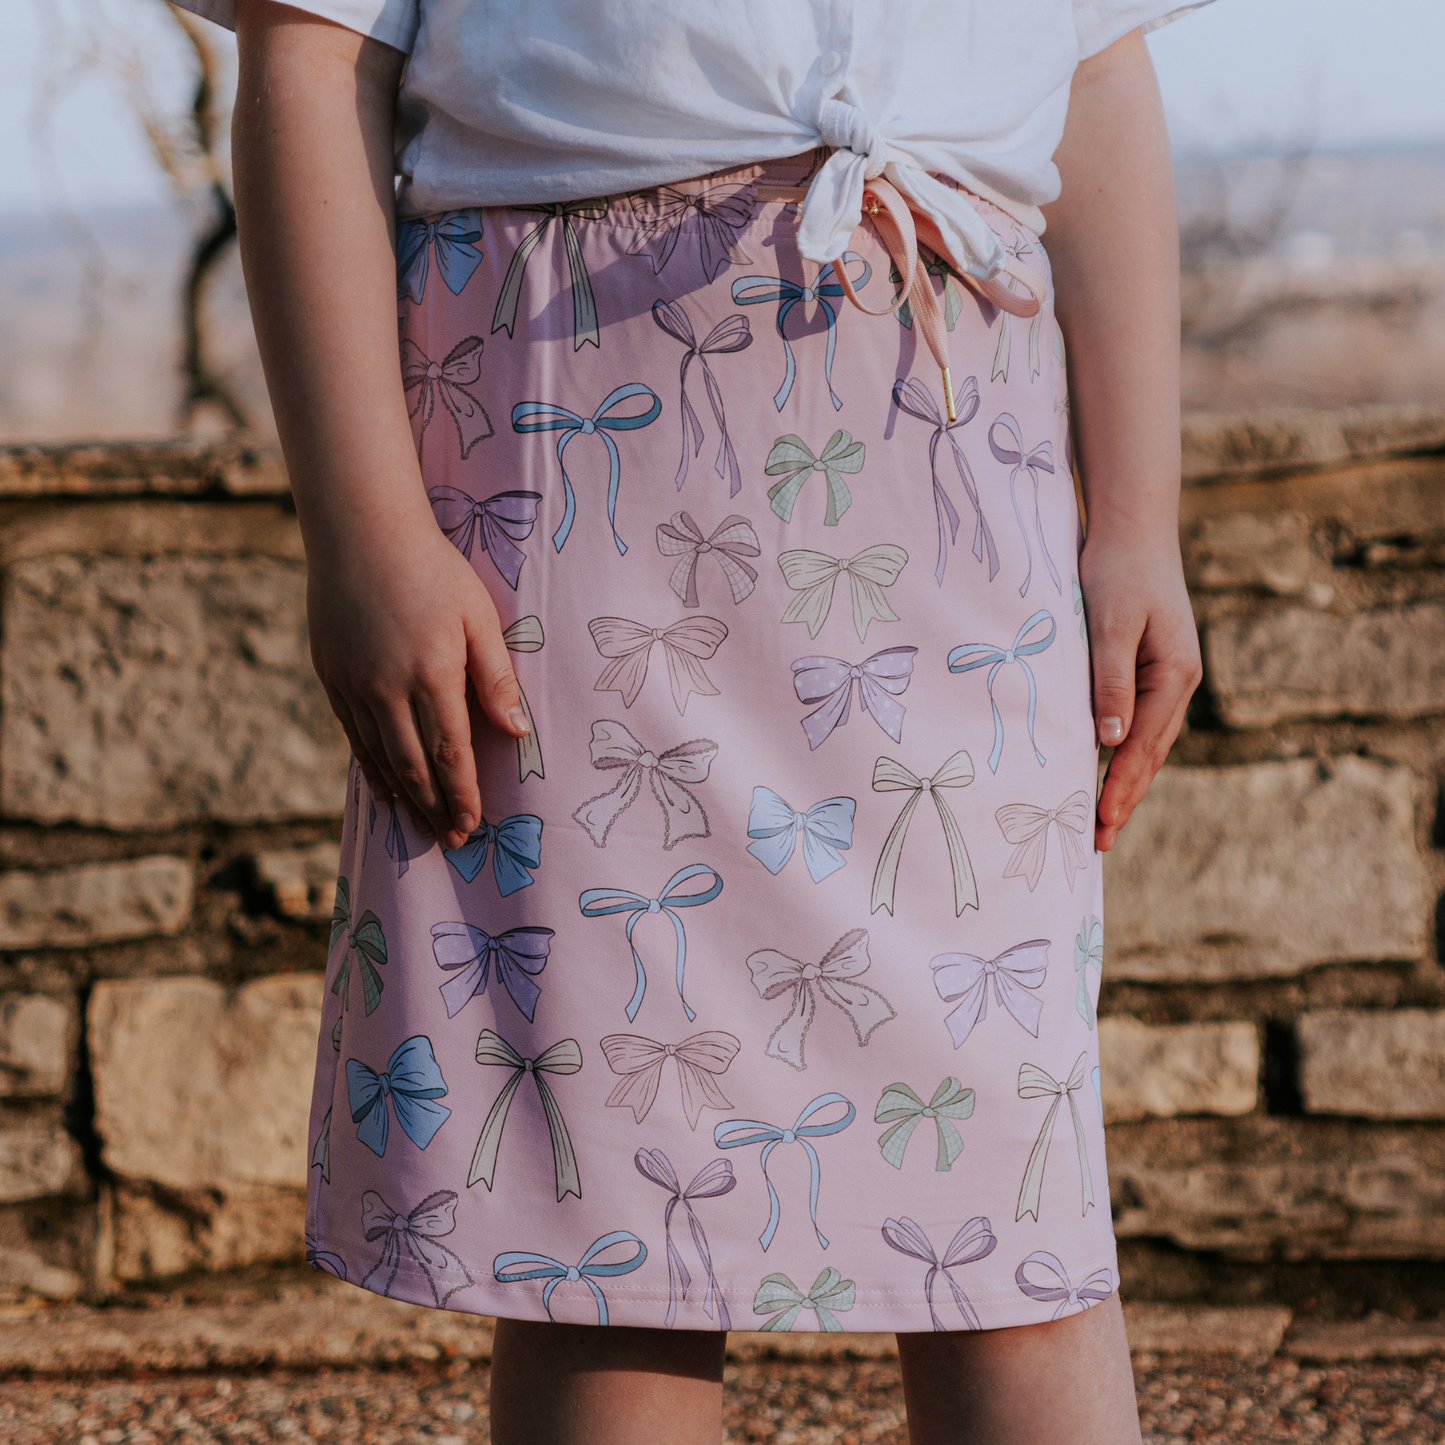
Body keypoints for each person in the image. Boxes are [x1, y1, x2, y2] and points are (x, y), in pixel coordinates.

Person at [179, 0, 1206, 1439]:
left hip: (955, 484)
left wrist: (1140, 523)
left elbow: (1096, 69)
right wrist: (364, 537)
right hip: (572, 480)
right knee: (610, 1241)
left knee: (1014, 1215)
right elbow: (310, 49)